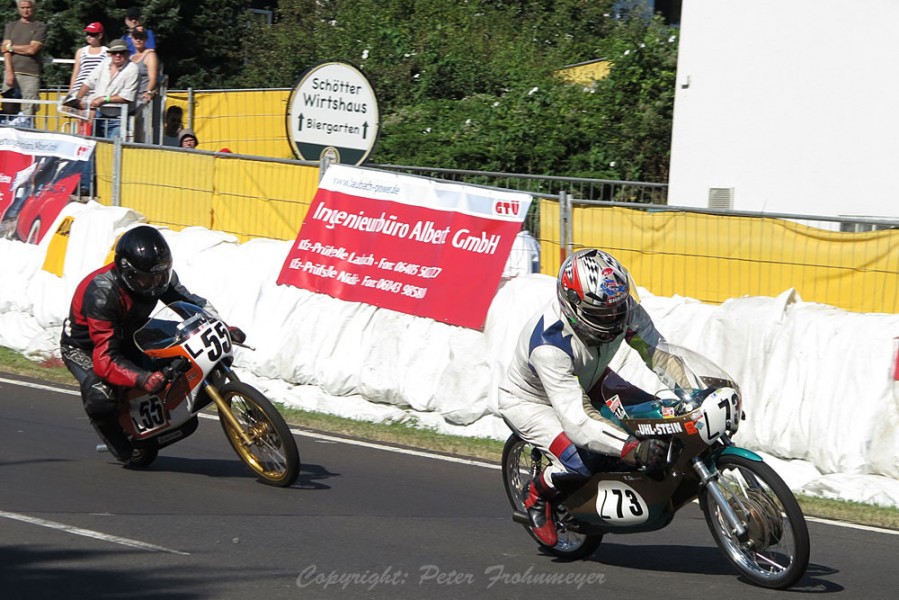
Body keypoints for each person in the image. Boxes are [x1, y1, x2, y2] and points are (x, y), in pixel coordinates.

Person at [498, 248, 672, 546]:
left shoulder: (622, 308)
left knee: (654, 417)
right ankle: (538, 496)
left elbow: (660, 354)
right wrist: (631, 448)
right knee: (581, 460)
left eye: (617, 308)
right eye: (604, 314)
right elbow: (577, 420)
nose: (615, 318)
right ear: (574, 307)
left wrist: (698, 391)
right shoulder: (549, 345)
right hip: (532, 401)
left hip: (589, 379)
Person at [59, 225, 246, 463]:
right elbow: (105, 358)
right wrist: (143, 378)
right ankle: (118, 441)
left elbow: (193, 304)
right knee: (101, 394)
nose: (155, 283)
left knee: (184, 346)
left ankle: (164, 412)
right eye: (146, 278)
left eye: (160, 275)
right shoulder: (102, 293)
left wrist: (222, 327)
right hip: (87, 347)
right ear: (127, 271)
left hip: (132, 332)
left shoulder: (160, 277)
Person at [74, 38, 139, 139]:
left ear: (127, 54)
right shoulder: (104, 63)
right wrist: (77, 100)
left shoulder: (133, 69)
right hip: (99, 116)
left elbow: (127, 97)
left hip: (120, 119)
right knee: (95, 147)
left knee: (114, 150)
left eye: (121, 52)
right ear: (110, 54)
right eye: (114, 53)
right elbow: (89, 81)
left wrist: (103, 99)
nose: (118, 55)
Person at [2, 0, 46, 119]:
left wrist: (11, 47)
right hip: (11, 72)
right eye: (22, 7)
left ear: (33, 8)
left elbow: (32, 49)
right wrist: (9, 72)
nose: (25, 10)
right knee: (7, 107)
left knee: (29, 110)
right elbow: (4, 50)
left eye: (28, 7)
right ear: (18, 8)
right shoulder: (10, 26)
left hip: (30, 74)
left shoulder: (40, 26)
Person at [67, 22, 108, 135]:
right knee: (79, 120)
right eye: (88, 34)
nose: (89, 36)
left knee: (91, 120)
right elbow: (76, 71)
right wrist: (71, 92)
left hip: (95, 90)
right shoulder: (81, 51)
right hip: (79, 88)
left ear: (100, 35)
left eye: (92, 34)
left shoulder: (106, 52)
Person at [129, 25, 159, 142]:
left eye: (141, 37)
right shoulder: (131, 57)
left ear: (146, 39)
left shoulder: (150, 55)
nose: (138, 40)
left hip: (142, 100)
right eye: (136, 37)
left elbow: (153, 78)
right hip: (130, 98)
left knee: (139, 133)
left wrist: (148, 92)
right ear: (132, 38)